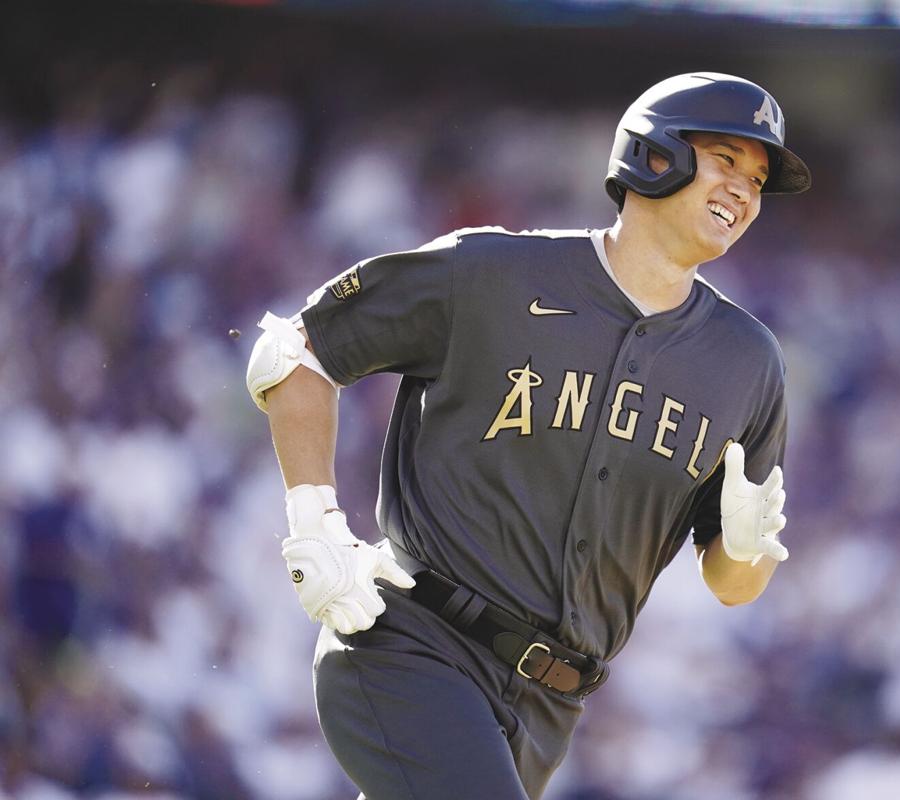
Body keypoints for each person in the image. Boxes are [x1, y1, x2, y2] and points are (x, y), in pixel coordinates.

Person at [245, 72, 811, 800]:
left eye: (760, 179)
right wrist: (314, 523)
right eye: (727, 159)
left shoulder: (748, 361)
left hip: (549, 709)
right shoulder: (493, 273)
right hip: (413, 646)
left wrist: (746, 547)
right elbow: (299, 352)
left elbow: (732, 585)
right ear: (654, 154)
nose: (744, 189)